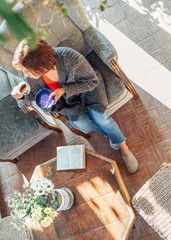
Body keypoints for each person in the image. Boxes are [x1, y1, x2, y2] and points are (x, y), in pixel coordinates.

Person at [11, 40, 138, 173]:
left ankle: (124, 148)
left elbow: (92, 81)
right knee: (82, 124)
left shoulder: (69, 57)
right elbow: (27, 97)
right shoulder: (31, 78)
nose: (26, 76)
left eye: (28, 72)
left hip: (88, 90)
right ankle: (112, 135)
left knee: (101, 117)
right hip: (67, 103)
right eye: (24, 72)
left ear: (40, 66)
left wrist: (63, 90)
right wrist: (19, 96)